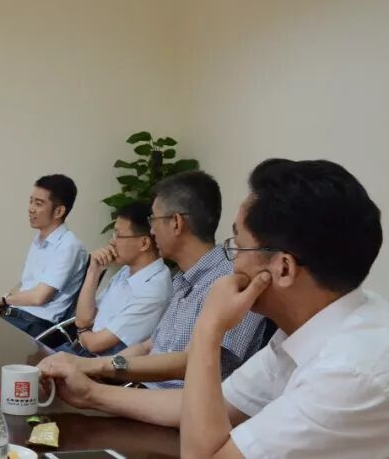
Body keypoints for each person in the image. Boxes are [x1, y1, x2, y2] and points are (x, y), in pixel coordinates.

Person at [45, 159, 389, 458]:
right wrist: (90, 393)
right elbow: (209, 405)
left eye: (238, 247)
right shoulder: (304, 329)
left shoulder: (349, 373)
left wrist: (209, 329)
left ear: (283, 268)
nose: (231, 262)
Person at [40, 171, 266, 388]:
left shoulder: (231, 280)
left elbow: (194, 362)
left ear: (176, 223)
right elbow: (149, 346)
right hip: (140, 388)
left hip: (174, 404)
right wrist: (92, 369)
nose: (152, 230)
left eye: (154, 220)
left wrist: (96, 369)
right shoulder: (181, 279)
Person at [65, 201, 170, 356]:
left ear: (144, 243)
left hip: (98, 363)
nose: (112, 241)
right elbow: (83, 319)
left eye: (118, 235)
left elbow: (95, 344)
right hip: (79, 350)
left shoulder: (153, 291)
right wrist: (93, 272)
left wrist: (82, 332)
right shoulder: (127, 271)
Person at [0, 174, 89, 337]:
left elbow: (39, 297)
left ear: (59, 211)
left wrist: (5, 300)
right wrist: (3, 304)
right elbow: (25, 284)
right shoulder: (39, 239)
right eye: (31, 201)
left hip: (37, 326)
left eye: (38, 203)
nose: (31, 208)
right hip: (17, 316)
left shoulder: (69, 246)